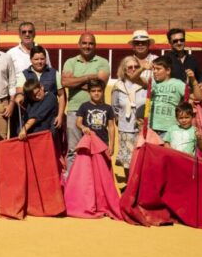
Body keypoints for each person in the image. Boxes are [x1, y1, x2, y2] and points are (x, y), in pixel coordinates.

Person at [62, 32, 110, 173]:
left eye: (90, 43)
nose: (87, 46)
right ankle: (73, 182)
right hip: (74, 111)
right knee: (73, 150)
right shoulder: (70, 62)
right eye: (84, 43)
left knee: (97, 148)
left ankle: (96, 181)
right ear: (79, 44)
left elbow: (100, 84)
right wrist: (89, 77)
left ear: (95, 45)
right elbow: (65, 82)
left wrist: (76, 81)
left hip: (97, 111)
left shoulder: (102, 62)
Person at [147, 54, 202, 136]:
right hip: (151, 128)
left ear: (168, 71)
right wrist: (142, 68)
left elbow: (198, 97)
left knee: (167, 149)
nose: (155, 71)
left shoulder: (178, 84)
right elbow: (135, 79)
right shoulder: (152, 83)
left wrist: (193, 80)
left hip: (170, 129)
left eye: (158, 69)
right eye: (154, 69)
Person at [14, 45, 65, 133]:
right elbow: (20, 92)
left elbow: (61, 96)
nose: (39, 62)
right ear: (31, 60)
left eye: (42, 59)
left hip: (49, 116)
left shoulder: (54, 73)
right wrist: (19, 97)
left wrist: (60, 116)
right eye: (36, 59)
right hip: (30, 113)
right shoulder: (24, 74)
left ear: (46, 59)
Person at [111, 56, 146, 175]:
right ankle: (130, 190)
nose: (133, 69)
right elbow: (114, 107)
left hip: (142, 129)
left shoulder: (144, 85)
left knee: (141, 161)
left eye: (136, 67)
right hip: (125, 129)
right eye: (130, 67)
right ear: (124, 70)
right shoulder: (118, 86)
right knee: (127, 162)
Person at [76, 79, 116, 157]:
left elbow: (111, 127)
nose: (96, 93)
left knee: (103, 166)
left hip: (103, 142)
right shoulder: (84, 106)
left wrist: (112, 145)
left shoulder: (108, 108)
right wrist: (83, 127)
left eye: (99, 91)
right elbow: (78, 122)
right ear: (89, 92)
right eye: (93, 91)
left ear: (103, 91)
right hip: (89, 143)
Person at [166, 28, 202, 92]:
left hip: (190, 98)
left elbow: (200, 75)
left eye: (181, 40)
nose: (179, 43)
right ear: (169, 42)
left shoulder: (193, 59)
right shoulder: (165, 59)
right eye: (175, 41)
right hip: (172, 99)